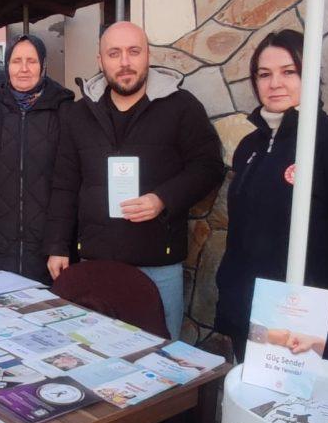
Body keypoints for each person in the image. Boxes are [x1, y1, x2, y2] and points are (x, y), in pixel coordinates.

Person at [45, 21, 224, 339]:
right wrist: (58, 246)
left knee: (160, 358)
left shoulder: (181, 107)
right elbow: (65, 185)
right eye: (114, 53)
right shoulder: (78, 115)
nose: (124, 62)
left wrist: (162, 199)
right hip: (96, 264)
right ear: (101, 61)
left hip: (157, 267)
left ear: (148, 55)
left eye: (133, 51)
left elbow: (208, 166)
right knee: (97, 353)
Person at [215, 29, 328, 364]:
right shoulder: (250, 146)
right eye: (264, 74)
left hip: (308, 331)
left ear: (310, 74)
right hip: (251, 319)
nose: (275, 83)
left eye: (289, 71)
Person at [0, 33, 74, 284]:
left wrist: (60, 244)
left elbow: (72, 183)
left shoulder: (65, 112)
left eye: (31, 61)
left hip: (48, 252)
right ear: (7, 65)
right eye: (16, 61)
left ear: (43, 65)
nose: (23, 69)